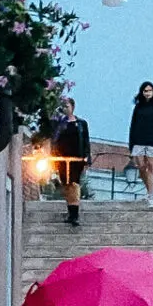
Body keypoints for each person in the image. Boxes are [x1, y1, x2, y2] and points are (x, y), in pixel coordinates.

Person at [50, 95, 91, 226]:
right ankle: (70, 211)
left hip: (76, 159)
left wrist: (87, 158)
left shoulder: (81, 124)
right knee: (66, 184)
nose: (65, 109)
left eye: (67, 106)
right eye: (63, 107)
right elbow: (54, 141)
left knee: (74, 183)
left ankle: (75, 214)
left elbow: (86, 141)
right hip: (61, 158)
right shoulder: (58, 124)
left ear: (73, 108)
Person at [127, 80, 153, 208]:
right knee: (141, 167)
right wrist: (131, 144)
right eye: (145, 91)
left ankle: (151, 196)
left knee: (150, 166)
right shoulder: (138, 107)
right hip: (139, 141)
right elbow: (132, 126)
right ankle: (148, 190)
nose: (147, 93)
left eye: (150, 90)